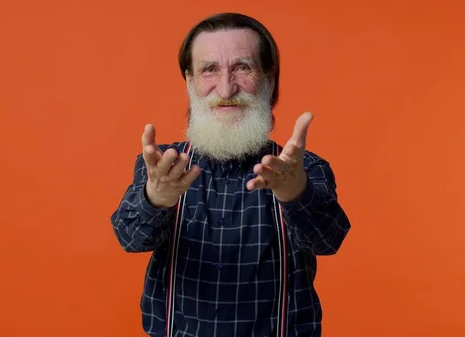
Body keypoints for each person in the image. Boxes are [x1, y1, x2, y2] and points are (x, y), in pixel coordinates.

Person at [110, 12, 351, 337]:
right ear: (189, 81)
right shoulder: (163, 167)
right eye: (210, 69)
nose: (226, 87)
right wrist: (156, 199)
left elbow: (328, 240)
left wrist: (296, 193)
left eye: (242, 67)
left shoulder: (305, 168)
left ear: (269, 78)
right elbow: (130, 239)